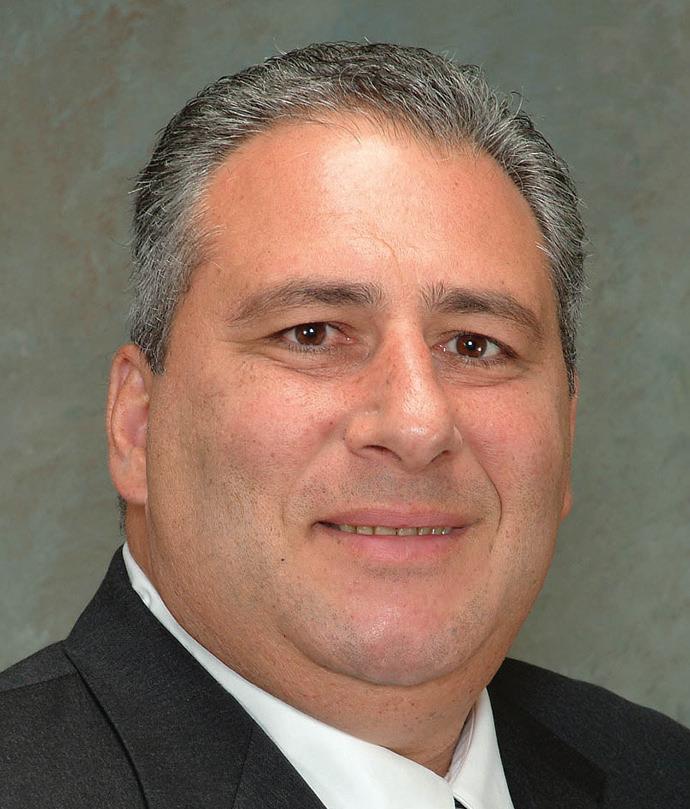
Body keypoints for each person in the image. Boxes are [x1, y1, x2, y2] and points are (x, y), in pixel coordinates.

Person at [1, 41, 687, 809]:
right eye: (313, 333)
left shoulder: (662, 773)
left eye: (475, 344)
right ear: (138, 423)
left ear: (565, 433)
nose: (418, 423)